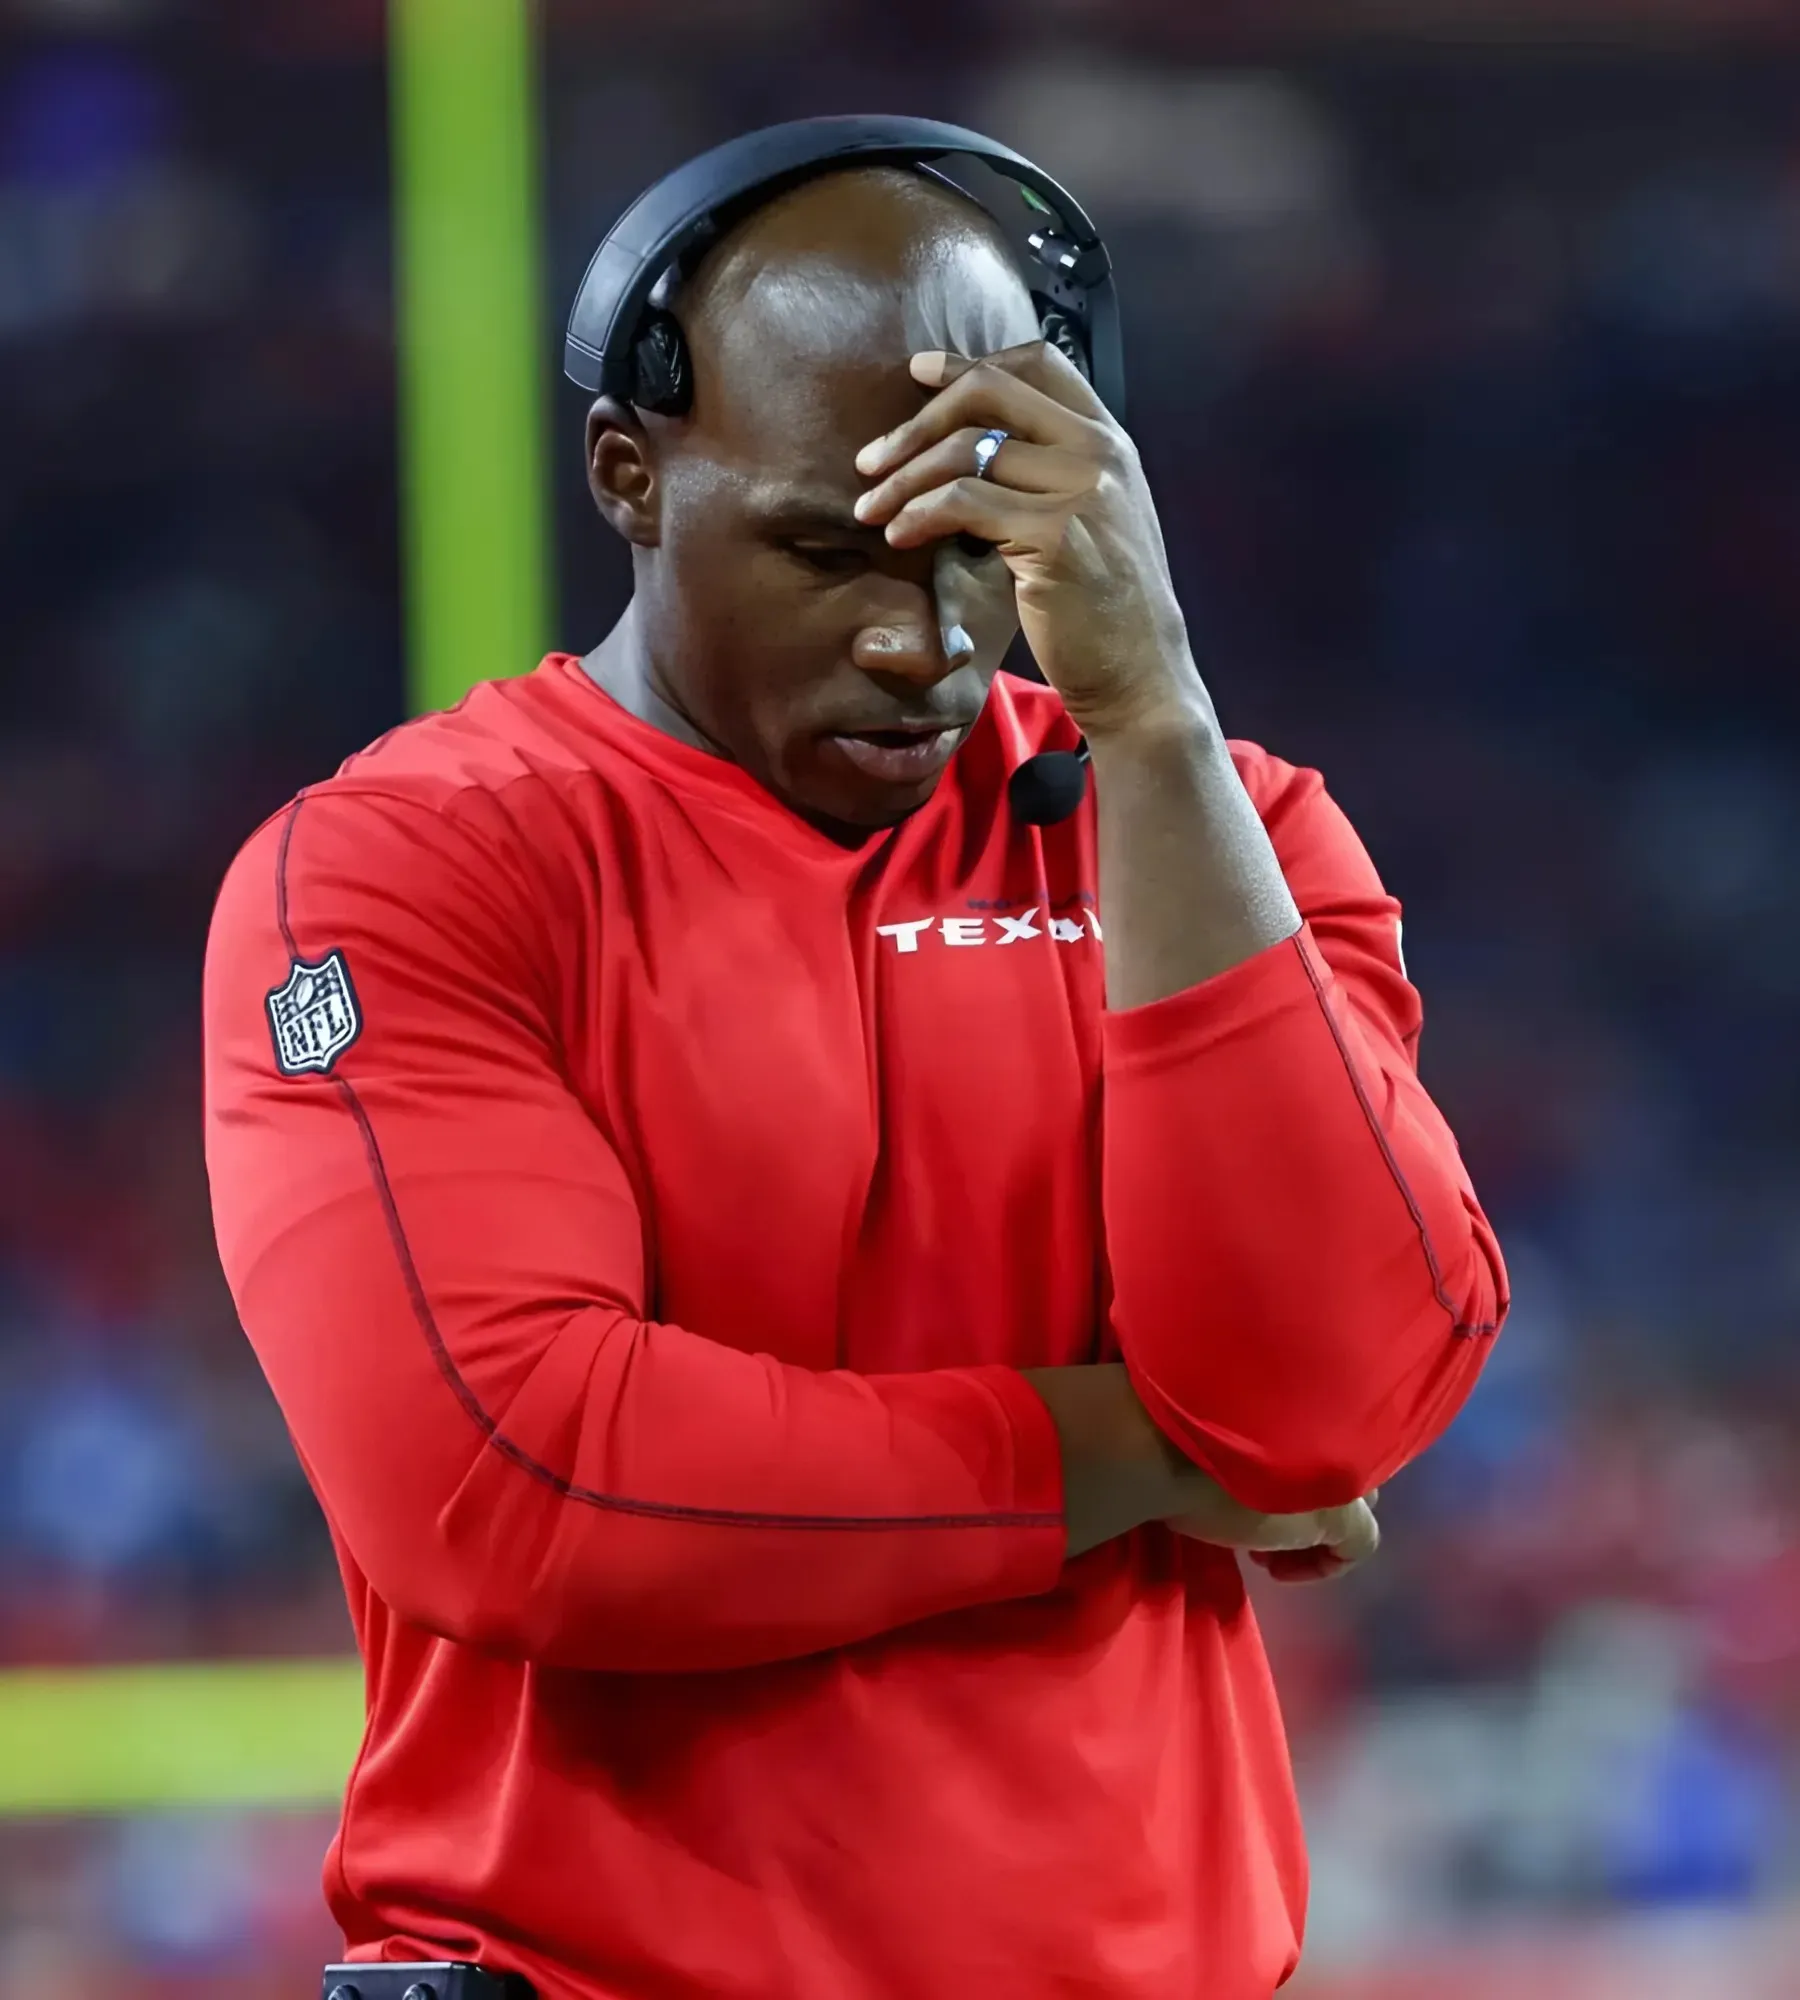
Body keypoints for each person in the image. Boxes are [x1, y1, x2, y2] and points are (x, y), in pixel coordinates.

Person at [203, 153, 1506, 2000]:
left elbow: (1330, 1403)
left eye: (979, 550)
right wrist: (1145, 1452)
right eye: (828, 551)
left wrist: (1154, 719)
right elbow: (518, 1491)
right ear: (627, 476)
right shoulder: (401, 872)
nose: (921, 643)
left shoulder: (1230, 830)